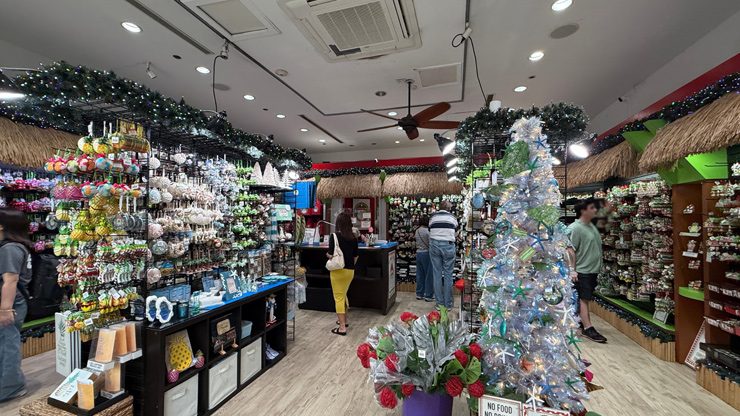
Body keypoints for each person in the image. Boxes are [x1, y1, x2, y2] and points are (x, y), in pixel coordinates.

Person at [0, 209, 32, 401]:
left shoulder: (10, 249)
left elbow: (11, 280)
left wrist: (5, 309)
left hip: (11, 304)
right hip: (12, 303)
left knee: (7, 345)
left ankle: (12, 387)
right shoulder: (13, 247)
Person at [567, 198, 608, 343]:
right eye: (592, 208)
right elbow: (570, 250)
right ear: (583, 210)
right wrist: (572, 269)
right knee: (584, 298)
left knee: (585, 297)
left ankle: (580, 322)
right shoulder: (575, 228)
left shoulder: (591, 226)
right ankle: (588, 327)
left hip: (592, 270)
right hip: (582, 270)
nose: (595, 210)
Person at [326, 212, 358, 336]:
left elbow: (330, 254)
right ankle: (344, 320)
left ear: (338, 223)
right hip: (350, 271)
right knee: (344, 295)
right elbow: (356, 256)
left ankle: (342, 327)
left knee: (338, 298)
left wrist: (328, 255)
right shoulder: (353, 237)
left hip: (338, 271)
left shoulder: (334, 236)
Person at [429, 200, 458, 309]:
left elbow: (430, 230)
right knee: (448, 275)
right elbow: (456, 231)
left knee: (436, 274)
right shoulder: (452, 217)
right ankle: (448, 304)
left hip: (434, 245)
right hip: (448, 245)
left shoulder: (433, 217)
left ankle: (439, 304)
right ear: (448, 208)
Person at [414, 216, 433, 302]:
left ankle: (419, 294)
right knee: (428, 275)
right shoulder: (427, 232)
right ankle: (428, 295)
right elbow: (430, 243)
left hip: (418, 253)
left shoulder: (417, 231)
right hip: (426, 253)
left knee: (420, 274)